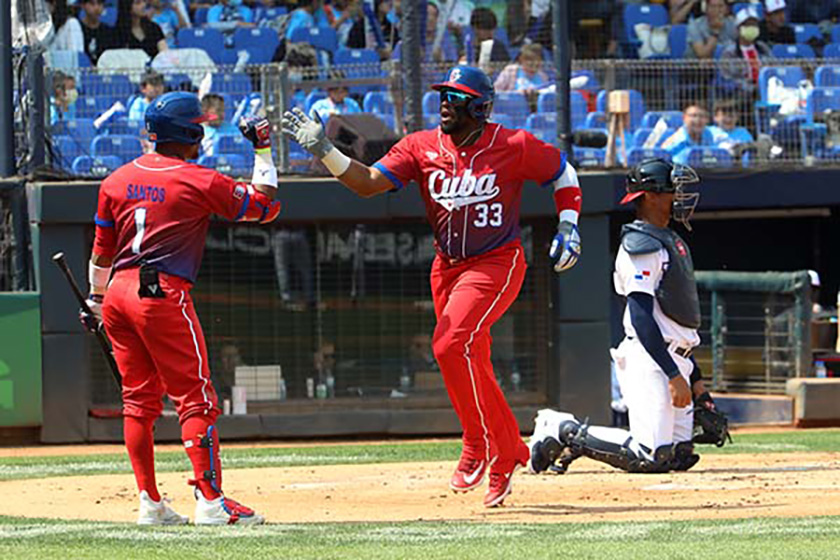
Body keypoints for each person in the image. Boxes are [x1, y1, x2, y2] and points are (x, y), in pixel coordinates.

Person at [281, 65, 583, 508]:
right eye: (444, 95)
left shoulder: (512, 144)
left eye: (457, 98)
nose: (445, 103)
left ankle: (477, 444)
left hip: (497, 262)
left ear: (480, 108)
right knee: (472, 360)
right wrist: (325, 150)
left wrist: (570, 224)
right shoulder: (421, 146)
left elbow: (562, 171)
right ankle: (510, 451)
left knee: (447, 345)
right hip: (447, 267)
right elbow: (367, 184)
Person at [79, 91, 280, 525]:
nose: (204, 133)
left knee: (138, 402)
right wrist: (262, 148)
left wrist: (95, 300)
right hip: (161, 295)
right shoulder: (197, 179)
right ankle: (210, 502)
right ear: (189, 132)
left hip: (116, 295)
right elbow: (266, 207)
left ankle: (150, 503)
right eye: (199, 127)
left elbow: (101, 253)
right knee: (196, 399)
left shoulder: (115, 180)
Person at [529, 158, 708, 476]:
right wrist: (673, 375)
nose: (677, 197)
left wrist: (696, 382)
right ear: (650, 196)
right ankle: (561, 428)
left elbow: (678, 321)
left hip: (676, 356)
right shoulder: (640, 245)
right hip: (651, 358)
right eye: (671, 190)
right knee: (649, 456)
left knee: (679, 456)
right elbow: (642, 318)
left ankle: (568, 432)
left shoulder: (671, 240)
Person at [718, 7, 772, 100]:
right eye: (747, 25)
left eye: (754, 24)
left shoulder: (763, 48)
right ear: (738, 28)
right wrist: (748, 87)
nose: (752, 27)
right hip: (741, 94)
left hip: (764, 89)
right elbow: (727, 78)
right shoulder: (730, 52)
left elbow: (772, 67)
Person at [79, 0, 116, 65]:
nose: (96, 8)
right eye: (92, 3)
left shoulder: (109, 32)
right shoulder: (77, 28)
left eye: (99, 3)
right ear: (83, 5)